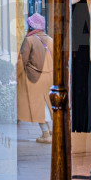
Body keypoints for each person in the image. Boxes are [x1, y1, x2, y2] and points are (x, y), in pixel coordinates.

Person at [16, 13, 54, 143]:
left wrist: (15, 75)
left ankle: (45, 135)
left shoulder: (29, 40)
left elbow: (22, 61)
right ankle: (49, 130)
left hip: (34, 78)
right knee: (46, 106)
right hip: (50, 78)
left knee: (37, 107)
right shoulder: (50, 39)